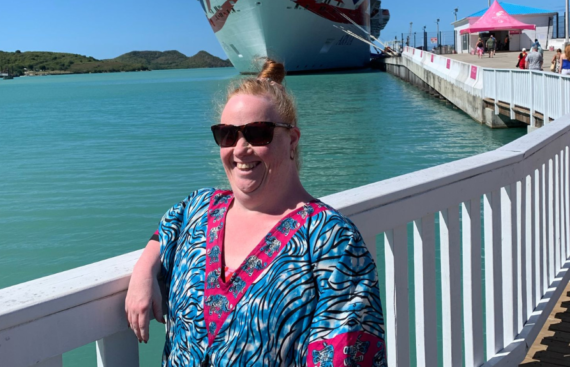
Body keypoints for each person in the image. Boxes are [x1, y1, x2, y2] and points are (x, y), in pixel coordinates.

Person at [125, 59, 386, 366]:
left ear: (291, 140)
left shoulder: (330, 239)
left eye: (257, 133)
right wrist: (143, 272)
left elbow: (347, 352)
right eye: (227, 134)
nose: (239, 149)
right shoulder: (200, 208)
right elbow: (168, 227)